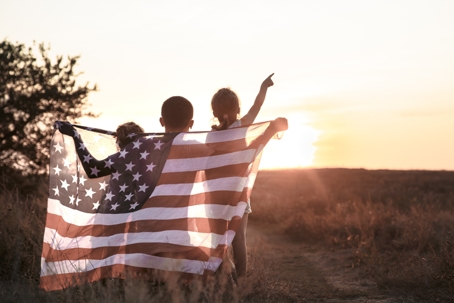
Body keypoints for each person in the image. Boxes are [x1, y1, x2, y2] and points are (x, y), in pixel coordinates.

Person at [210, 73, 275, 279]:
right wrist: (264, 87)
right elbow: (257, 105)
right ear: (238, 110)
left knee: (217, 239)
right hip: (238, 193)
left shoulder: (210, 136)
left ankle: (220, 280)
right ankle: (242, 282)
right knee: (239, 240)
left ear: (214, 112)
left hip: (216, 195)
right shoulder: (242, 125)